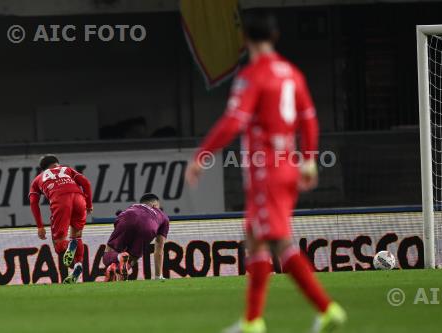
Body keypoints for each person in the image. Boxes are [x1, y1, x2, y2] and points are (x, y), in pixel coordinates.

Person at [185, 10, 346, 333]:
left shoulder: (252, 75)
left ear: (245, 40)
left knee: (278, 241)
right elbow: (309, 118)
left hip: (266, 170)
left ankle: (327, 309)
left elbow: (234, 120)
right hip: (288, 164)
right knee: (256, 238)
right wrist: (310, 158)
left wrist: (202, 154)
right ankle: (253, 321)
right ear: (275, 38)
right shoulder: (292, 73)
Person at [29, 154, 93, 284]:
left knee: (58, 243)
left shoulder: (37, 179)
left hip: (60, 200)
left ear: (42, 168)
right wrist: (89, 204)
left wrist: (40, 226)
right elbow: (86, 182)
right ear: (57, 163)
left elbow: (33, 202)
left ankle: (69, 248)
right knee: (77, 235)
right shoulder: (67, 169)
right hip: (79, 198)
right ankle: (78, 265)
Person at [102, 193, 169, 281]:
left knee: (109, 252)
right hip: (148, 227)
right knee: (132, 258)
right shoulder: (163, 216)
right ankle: (117, 269)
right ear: (154, 205)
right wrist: (158, 276)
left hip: (126, 218)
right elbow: (159, 249)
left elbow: (119, 220)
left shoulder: (134, 206)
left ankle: (116, 261)